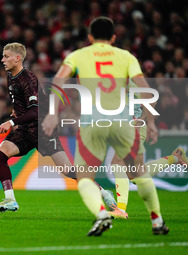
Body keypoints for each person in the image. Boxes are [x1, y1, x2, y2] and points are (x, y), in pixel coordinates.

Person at [42, 17, 169, 236]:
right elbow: (149, 94)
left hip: (93, 123)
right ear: (113, 37)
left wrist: (53, 113)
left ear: (90, 37)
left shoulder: (77, 56)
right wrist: (151, 122)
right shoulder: (127, 57)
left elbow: (58, 83)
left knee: (84, 177)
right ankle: (157, 220)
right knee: (138, 172)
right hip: (124, 122)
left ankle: (103, 214)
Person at [0, 42, 117, 212]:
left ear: (17, 58)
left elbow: (36, 111)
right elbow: (24, 103)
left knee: (68, 170)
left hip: (42, 129)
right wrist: (17, 111)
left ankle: (102, 192)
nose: (2, 59)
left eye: (6, 56)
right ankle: (10, 200)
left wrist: (12, 122)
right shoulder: (11, 76)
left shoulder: (28, 78)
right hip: (25, 130)